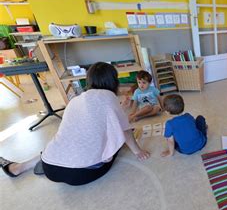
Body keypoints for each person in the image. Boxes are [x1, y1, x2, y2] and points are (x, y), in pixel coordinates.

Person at [0, 62, 150, 185]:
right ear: (114, 81)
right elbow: (124, 131)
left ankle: (17, 167)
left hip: (50, 167)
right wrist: (138, 151)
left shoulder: (75, 100)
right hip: (81, 174)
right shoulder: (109, 97)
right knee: (116, 142)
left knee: (65, 142)